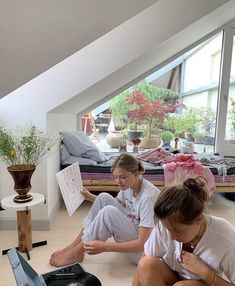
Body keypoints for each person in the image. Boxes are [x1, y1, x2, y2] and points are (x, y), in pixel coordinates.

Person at [50, 153, 160, 267]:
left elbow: (142, 244)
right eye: (116, 177)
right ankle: (74, 245)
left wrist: (105, 247)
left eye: (123, 177)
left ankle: (77, 252)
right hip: (134, 232)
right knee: (103, 197)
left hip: (142, 253)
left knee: (108, 212)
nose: (118, 181)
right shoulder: (130, 185)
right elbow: (114, 203)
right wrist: (90, 197)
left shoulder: (148, 198)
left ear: (136, 173)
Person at [132, 177, 235, 286]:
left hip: (207, 283)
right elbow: (142, 267)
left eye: (177, 230)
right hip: (173, 277)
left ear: (198, 220)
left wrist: (207, 274)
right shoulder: (167, 223)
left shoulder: (225, 238)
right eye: (167, 229)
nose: (171, 237)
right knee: (146, 264)